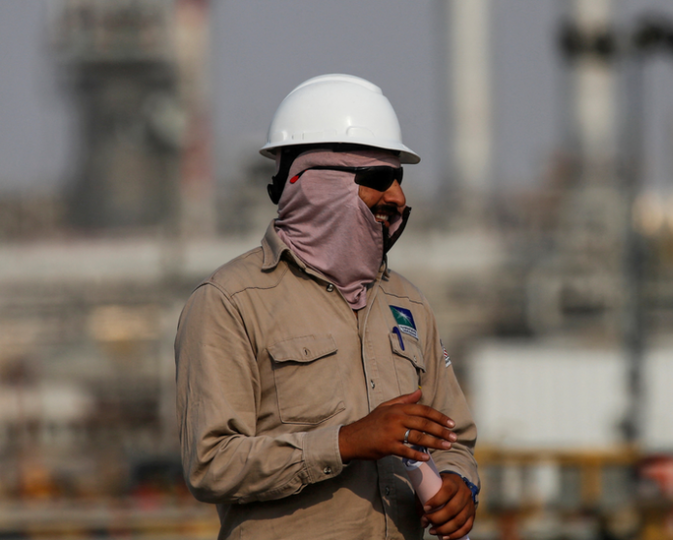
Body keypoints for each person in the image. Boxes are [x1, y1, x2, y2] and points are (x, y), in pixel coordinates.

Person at [175, 74, 479, 540]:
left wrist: (460, 483)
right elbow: (211, 464)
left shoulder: (409, 304)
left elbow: (456, 436)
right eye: (379, 179)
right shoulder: (229, 303)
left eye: (400, 179)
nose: (398, 198)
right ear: (316, 186)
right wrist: (346, 443)